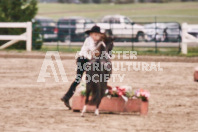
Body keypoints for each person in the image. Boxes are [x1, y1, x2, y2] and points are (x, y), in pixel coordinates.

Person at [61, 25, 103, 109]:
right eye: (95, 35)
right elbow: (93, 51)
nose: (97, 37)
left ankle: (67, 97)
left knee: (81, 79)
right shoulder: (89, 40)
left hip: (87, 60)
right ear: (91, 34)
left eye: (98, 35)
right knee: (81, 79)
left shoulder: (96, 42)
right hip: (83, 59)